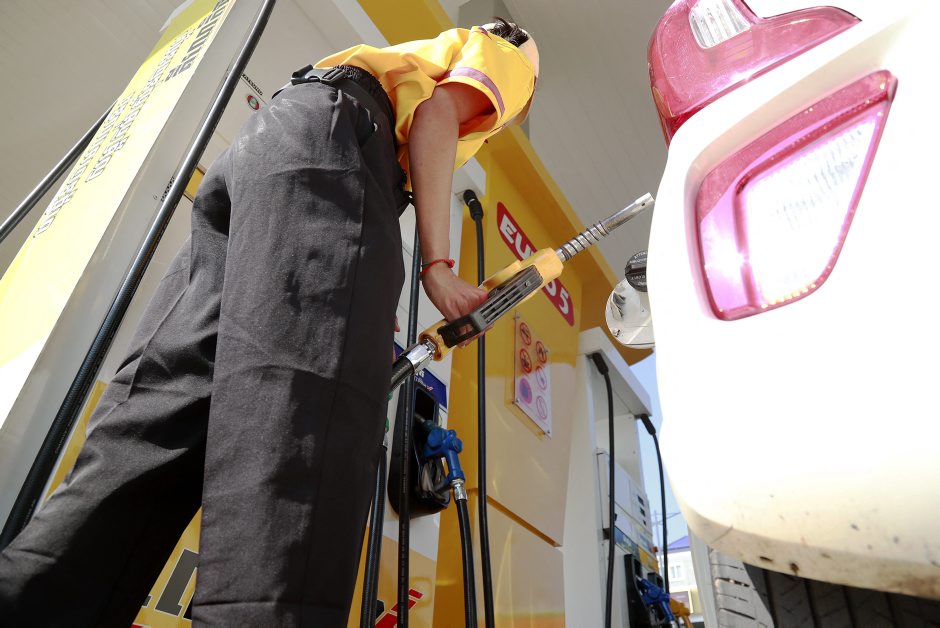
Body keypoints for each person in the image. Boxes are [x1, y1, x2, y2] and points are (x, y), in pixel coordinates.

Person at [0, 17, 539, 628]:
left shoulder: (404, 59)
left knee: (169, 404)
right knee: (300, 419)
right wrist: (437, 265)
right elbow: (439, 115)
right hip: (341, 148)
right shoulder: (509, 58)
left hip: (275, 140)